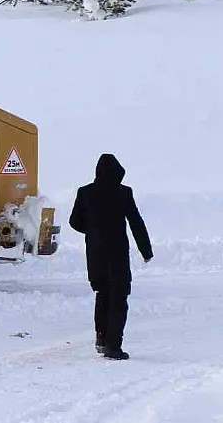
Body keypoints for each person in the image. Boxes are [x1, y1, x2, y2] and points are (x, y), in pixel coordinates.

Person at [69, 153, 154, 361]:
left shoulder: (85, 192)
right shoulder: (123, 193)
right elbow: (136, 221)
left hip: (95, 253)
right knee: (119, 296)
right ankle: (113, 346)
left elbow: (74, 221)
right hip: (116, 253)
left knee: (103, 294)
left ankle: (101, 338)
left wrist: (92, 231)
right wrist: (146, 250)